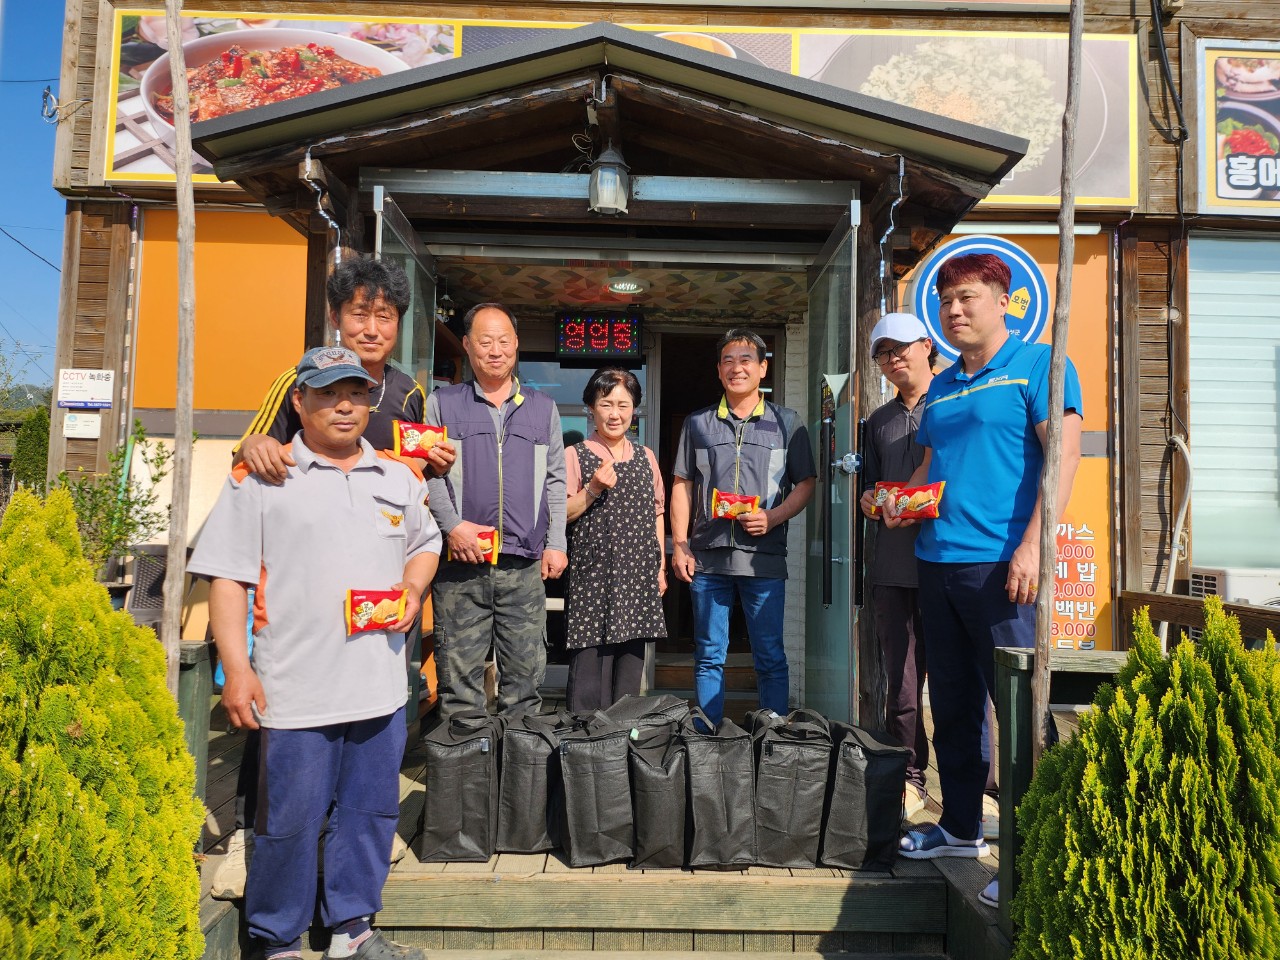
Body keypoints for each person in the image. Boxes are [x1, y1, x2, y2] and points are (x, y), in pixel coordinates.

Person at [210, 257, 455, 901]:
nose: (372, 328)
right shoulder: (299, 377)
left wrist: (433, 461)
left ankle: (352, 857)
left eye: (385, 316)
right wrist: (250, 445)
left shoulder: (409, 391)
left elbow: (410, 480)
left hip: (377, 600)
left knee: (374, 735)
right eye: (359, 314)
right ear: (336, 318)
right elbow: (253, 449)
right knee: (278, 737)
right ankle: (250, 842)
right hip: (301, 603)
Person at [888, 254, 1082, 911]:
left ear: (1003, 301)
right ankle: (961, 827)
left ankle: (1030, 854)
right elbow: (930, 469)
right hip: (937, 561)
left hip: (1005, 565)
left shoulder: (1040, 365)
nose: (954, 310)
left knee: (1020, 710)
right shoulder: (942, 385)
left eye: (967, 297)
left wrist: (1034, 546)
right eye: (946, 301)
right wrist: (897, 501)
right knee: (954, 701)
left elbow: (1064, 456)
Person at [424, 302, 568, 719]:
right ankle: (466, 760)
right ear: (467, 345)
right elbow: (429, 473)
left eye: (504, 340)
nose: (495, 350)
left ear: (516, 343)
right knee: (458, 685)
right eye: (485, 341)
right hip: (461, 565)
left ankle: (519, 761)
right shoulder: (442, 403)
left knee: (524, 684)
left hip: (523, 567)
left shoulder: (543, 408)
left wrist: (556, 543)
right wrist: (452, 527)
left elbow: (555, 481)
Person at [669, 328, 817, 725]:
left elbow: (806, 482)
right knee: (708, 654)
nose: (737, 368)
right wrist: (680, 544)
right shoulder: (698, 423)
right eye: (728, 361)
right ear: (719, 370)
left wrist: (773, 517)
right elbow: (682, 483)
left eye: (746, 360)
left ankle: (772, 738)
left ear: (763, 368)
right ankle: (706, 735)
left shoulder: (787, 422)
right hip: (709, 558)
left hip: (763, 558)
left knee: (769, 654)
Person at [858, 312, 936, 818]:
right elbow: (871, 484)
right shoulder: (878, 421)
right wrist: (868, 498)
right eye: (883, 354)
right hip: (890, 566)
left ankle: (985, 787)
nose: (892, 359)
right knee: (902, 683)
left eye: (899, 348)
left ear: (926, 346)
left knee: (956, 682)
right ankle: (911, 777)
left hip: (946, 560)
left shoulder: (952, 400)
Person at [563, 367, 668, 713]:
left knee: (629, 675)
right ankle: (584, 740)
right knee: (589, 671)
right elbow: (560, 513)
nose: (615, 414)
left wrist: (659, 568)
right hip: (592, 576)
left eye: (623, 405)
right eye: (606, 404)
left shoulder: (646, 457)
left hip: (637, 577)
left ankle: (623, 739)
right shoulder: (575, 454)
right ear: (591, 408)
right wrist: (592, 489)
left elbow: (657, 513)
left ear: (634, 410)